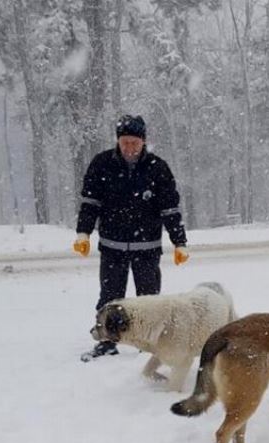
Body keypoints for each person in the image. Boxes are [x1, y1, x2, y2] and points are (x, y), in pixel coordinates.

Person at [73, 114, 190, 360]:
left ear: (144, 142)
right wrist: (83, 232)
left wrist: (179, 242)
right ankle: (106, 341)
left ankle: (150, 346)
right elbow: (90, 203)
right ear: (118, 141)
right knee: (109, 296)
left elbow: (170, 208)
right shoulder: (101, 164)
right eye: (125, 142)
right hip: (112, 246)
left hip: (147, 247)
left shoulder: (157, 168)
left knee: (149, 300)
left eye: (134, 143)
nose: (129, 147)